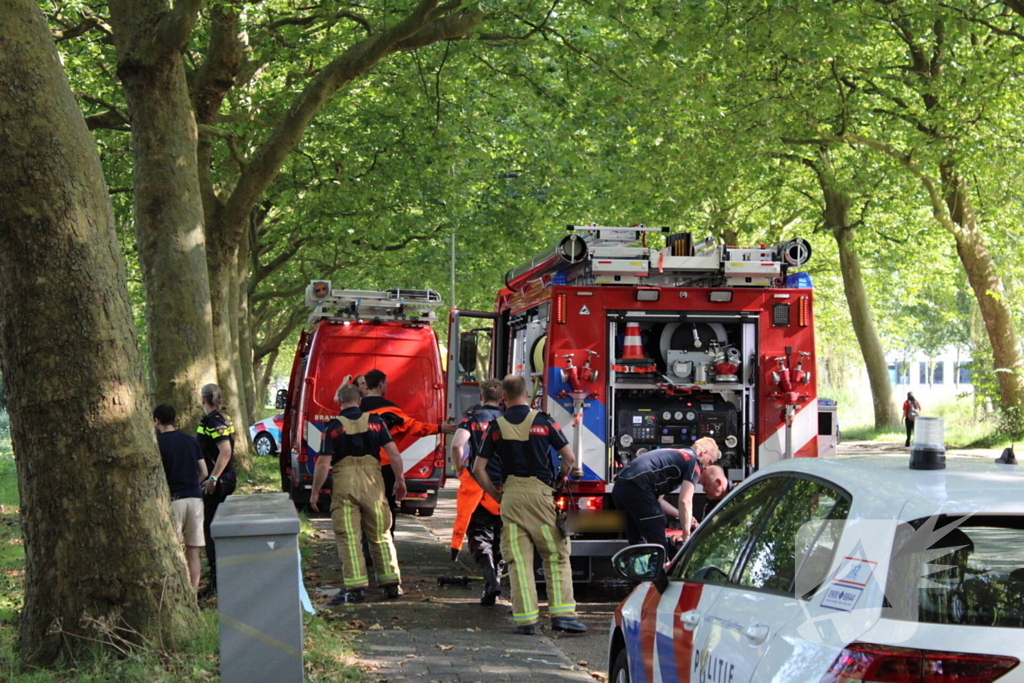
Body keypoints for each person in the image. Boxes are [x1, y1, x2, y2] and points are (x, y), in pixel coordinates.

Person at [473, 374, 587, 636]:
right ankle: (563, 616)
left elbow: (479, 467)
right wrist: (559, 480)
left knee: (518, 560)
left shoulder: (496, 426)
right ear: (526, 394)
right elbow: (568, 458)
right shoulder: (544, 421)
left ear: (504, 396)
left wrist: (496, 494)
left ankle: (526, 620)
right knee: (555, 556)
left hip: (511, 496)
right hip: (540, 495)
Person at [310, 382, 405, 603]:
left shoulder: (332, 428)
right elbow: (394, 454)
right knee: (381, 534)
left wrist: (315, 491)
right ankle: (391, 584)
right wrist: (400, 480)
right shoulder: (376, 422)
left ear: (339, 401)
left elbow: (323, 464)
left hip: (345, 484)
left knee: (348, 537)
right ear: (359, 401)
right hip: (373, 484)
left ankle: (356, 588)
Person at [361, 369, 457, 525]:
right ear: (380, 384)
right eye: (386, 383)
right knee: (385, 506)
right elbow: (416, 427)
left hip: (357, 467)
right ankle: (384, 540)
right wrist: (440, 428)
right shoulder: (391, 412)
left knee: (360, 507)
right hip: (384, 467)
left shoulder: (353, 410)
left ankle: (362, 543)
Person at [450, 379, 504, 606]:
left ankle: (490, 578)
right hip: (503, 487)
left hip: (478, 489)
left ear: (481, 397)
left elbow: (456, 445)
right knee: (501, 537)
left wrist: (460, 468)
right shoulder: (508, 419)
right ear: (502, 397)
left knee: (480, 535)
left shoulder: (471, 418)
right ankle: (496, 577)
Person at [611, 440, 721, 554]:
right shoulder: (693, 462)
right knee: (658, 529)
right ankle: (660, 567)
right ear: (703, 452)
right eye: (709, 461)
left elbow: (659, 501)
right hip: (639, 487)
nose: (706, 467)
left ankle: (639, 569)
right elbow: (685, 500)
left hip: (620, 487)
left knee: (638, 536)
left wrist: (682, 515)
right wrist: (686, 535)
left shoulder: (675, 455)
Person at [154, 404, 208, 594]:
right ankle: (192, 596)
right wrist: (194, 483)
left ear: (156, 421)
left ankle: (178, 594)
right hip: (194, 498)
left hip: (173, 499)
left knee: (175, 550)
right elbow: (204, 471)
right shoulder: (191, 440)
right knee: (193, 551)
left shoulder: (157, 443)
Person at [196, 383, 238, 596]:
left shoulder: (214, 421)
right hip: (222, 478)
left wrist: (213, 478)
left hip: (219, 481)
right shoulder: (222, 418)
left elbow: (225, 451)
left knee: (211, 529)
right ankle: (219, 577)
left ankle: (217, 581)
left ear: (203, 400)